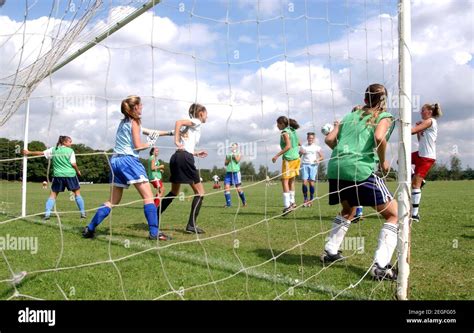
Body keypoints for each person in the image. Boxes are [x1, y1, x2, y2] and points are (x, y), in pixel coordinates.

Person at [321, 83, 398, 281]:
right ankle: (380, 266)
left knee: (349, 211)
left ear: (364, 99)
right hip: (359, 169)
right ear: (384, 100)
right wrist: (383, 162)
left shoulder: (349, 115)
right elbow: (379, 136)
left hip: (336, 168)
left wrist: (342, 140)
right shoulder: (385, 117)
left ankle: (330, 251)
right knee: (394, 214)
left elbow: (329, 141)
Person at [82, 95, 170, 241]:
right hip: (128, 161)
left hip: (115, 161)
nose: (142, 107)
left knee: (113, 201)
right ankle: (155, 233)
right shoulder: (134, 122)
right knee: (148, 197)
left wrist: (171, 133)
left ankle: (90, 228)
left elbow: (148, 131)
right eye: (140, 105)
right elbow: (137, 146)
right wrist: (149, 144)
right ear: (135, 107)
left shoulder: (123, 122)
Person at [156, 103, 208, 234]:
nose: (207, 116)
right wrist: (176, 141)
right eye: (206, 113)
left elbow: (185, 143)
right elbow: (178, 122)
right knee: (200, 193)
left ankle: (154, 217)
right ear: (201, 113)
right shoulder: (196, 122)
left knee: (174, 192)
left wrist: (195, 153)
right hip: (184, 158)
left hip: (177, 157)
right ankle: (191, 225)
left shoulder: (188, 129)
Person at [22, 136, 86, 220]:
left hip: (58, 176)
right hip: (70, 175)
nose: (71, 143)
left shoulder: (53, 149)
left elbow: (41, 153)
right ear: (64, 142)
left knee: (53, 195)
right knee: (77, 194)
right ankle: (83, 214)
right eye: (70, 141)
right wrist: (78, 171)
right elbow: (73, 164)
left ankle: (47, 214)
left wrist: (29, 152)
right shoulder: (70, 151)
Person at [411, 103, 442, 222]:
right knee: (401, 160)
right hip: (420, 154)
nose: (420, 112)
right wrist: (419, 130)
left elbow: (412, 131)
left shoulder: (430, 121)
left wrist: (401, 124)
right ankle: (418, 179)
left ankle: (414, 215)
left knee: (415, 185)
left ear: (429, 111)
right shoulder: (426, 123)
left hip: (427, 158)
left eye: (422, 110)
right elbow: (419, 138)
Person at [272, 116, 301, 216]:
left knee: (284, 181)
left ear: (282, 124)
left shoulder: (284, 132)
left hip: (289, 159)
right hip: (296, 158)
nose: (277, 126)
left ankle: (287, 206)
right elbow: (298, 143)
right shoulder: (292, 130)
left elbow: (288, 146)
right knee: (291, 181)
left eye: (278, 124)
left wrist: (276, 156)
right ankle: (292, 203)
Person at [299, 132, 324, 207]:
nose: (310, 139)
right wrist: (300, 152)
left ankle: (311, 200)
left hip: (313, 166)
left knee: (311, 183)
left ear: (314, 139)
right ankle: (305, 199)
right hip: (304, 165)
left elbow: (322, 157)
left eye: (312, 138)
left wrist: (318, 159)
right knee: (304, 182)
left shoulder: (317, 147)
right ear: (307, 138)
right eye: (309, 138)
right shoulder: (303, 146)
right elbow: (299, 155)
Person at [223, 143, 247, 207]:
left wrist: (233, 155)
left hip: (236, 172)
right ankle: (229, 204)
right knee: (226, 187)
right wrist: (228, 159)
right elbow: (225, 163)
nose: (232, 147)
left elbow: (237, 161)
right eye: (232, 146)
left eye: (234, 146)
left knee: (238, 188)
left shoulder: (239, 153)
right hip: (228, 172)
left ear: (236, 147)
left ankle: (244, 202)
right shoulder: (228, 154)